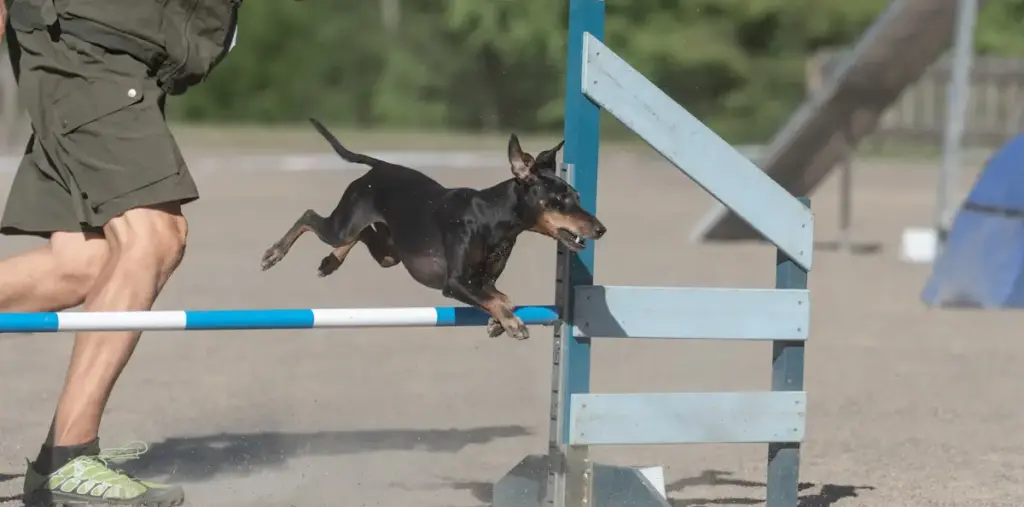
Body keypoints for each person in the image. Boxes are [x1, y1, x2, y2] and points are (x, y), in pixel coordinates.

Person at [0, 0, 245, 505]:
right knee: (154, 234)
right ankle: (68, 461)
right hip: (85, 45)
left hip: (118, 52)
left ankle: (61, 466)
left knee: (84, 264)